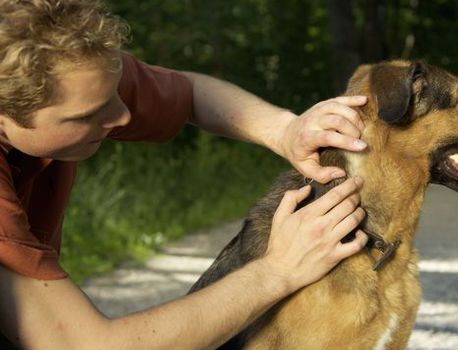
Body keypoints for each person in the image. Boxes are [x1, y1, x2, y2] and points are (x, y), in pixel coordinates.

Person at [0, 1, 369, 349]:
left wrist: (286, 131)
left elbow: (191, 93)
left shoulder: (72, 74)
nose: (123, 116)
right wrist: (278, 271)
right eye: (86, 116)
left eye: (115, 92)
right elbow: (90, 345)